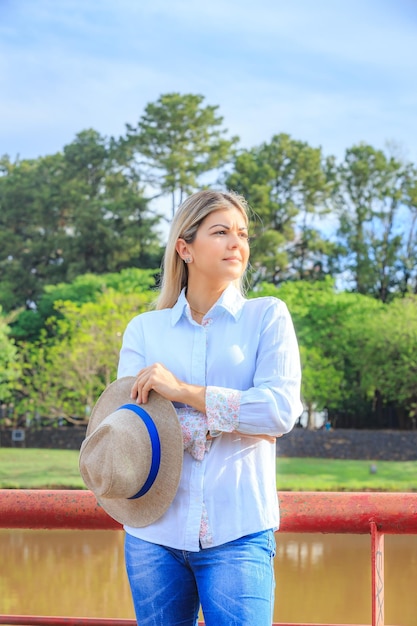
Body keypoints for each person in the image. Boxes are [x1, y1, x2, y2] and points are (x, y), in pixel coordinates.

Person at [117, 189, 303, 626]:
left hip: (239, 532)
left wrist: (182, 393)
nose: (237, 243)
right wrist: (230, 418)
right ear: (185, 248)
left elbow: (278, 412)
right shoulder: (144, 330)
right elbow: (130, 428)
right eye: (220, 232)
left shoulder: (268, 317)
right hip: (152, 536)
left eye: (242, 233)